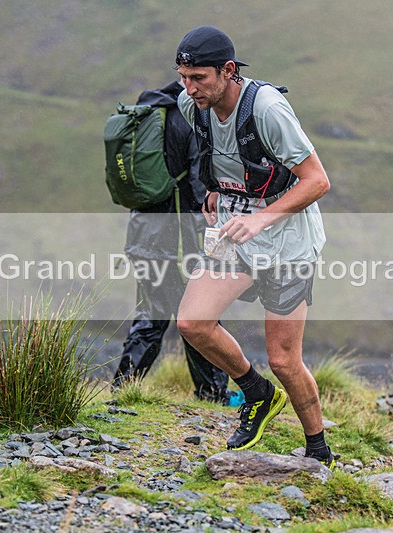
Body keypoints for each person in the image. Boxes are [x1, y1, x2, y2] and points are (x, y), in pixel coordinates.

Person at [173, 26, 335, 467]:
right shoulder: (193, 105)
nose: (189, 89)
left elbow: (317, 181)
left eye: (199, 78)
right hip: (234, 235)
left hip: (288, 243)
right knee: (192, 322)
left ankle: (319, 447)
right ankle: (257, 393)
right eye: (183, 77)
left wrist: (260, 217)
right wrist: (214, 193)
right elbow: (219, 158)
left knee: (284, 359)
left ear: (228, 71)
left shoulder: (266, 109)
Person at [112, 79, 230, 404]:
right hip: (182, 236)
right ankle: (213, 393)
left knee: (152, 313)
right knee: (200, 313)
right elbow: (198, 186)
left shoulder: (148, 111)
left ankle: (123, 391)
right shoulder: (191, 116)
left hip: (144, 234)